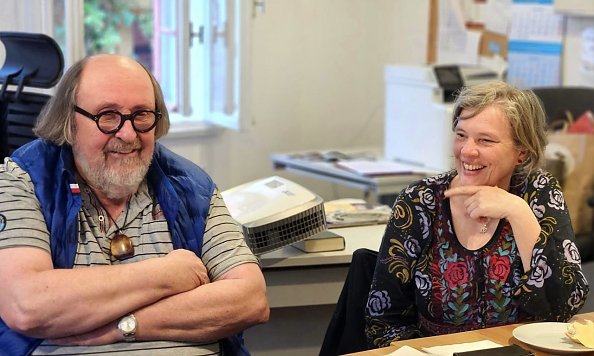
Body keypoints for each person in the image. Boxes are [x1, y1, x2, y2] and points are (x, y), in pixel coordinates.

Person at [0, 54, 269, 355]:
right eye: (108, 116)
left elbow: (250, 299)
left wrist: (124, 326)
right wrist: (167, 274)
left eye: (141, 115)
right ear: (70, 121)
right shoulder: (22, 181)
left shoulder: (190, 186)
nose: (128, 135)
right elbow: (27, 305)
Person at [364, 80, 589, 348]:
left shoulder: (539, 193)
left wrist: (518, 212)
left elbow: (562, 309)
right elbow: (384, 320)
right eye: (461, 135)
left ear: (521, 152)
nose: (467, 150)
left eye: (485, 140)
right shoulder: (420, 201)